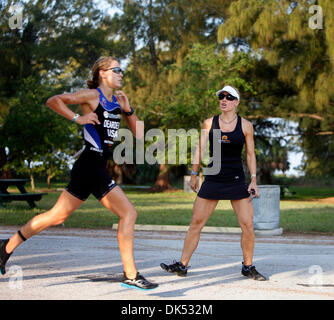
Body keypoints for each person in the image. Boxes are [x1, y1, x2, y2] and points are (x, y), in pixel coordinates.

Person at [0, 56, 158, 290]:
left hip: (92, 167)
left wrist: (129, 110)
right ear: (102, 73)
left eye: (121, 70)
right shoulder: (91, 95)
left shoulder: (117, 100)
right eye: (117, 69)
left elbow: (140, 134)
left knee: (57, 216)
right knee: (129, 214)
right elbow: (53, 100)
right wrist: (77, 117)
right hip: (90, 165)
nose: (121, 73)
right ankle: (131, 274)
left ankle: (6, 248)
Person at [160, 85, 266, 281]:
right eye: (221, 97)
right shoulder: (210, 123)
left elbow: (250, 154)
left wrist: (253, 179)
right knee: (196, 223)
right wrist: (194, 174)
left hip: (236, 179)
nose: (223, 100)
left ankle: (248, 266)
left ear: (236, 102)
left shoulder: (246, 126)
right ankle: (182, 265)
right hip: (213, 177)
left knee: (247, 225)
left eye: (229, 97)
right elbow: (199, 149)